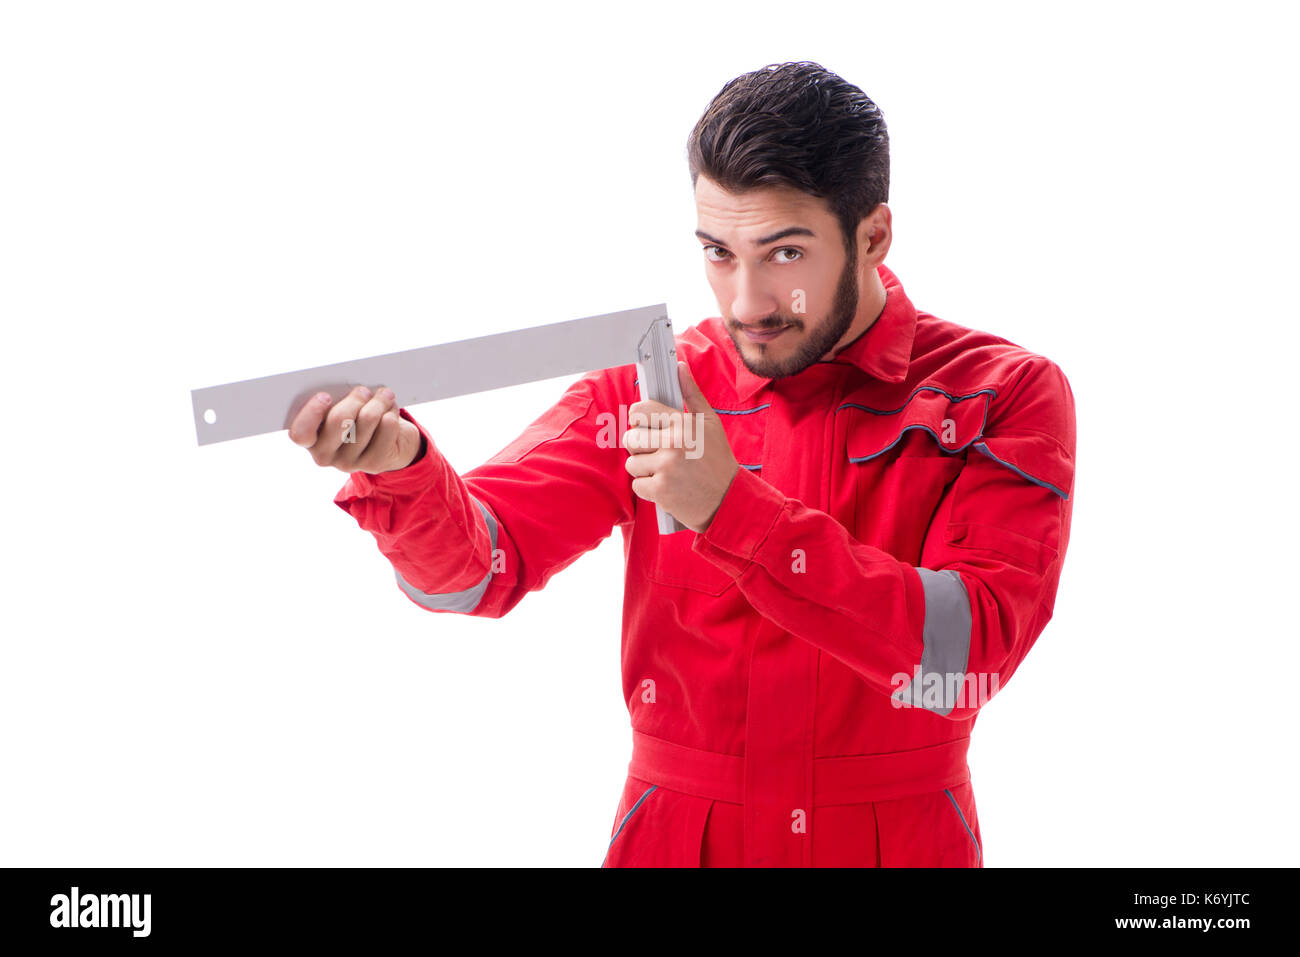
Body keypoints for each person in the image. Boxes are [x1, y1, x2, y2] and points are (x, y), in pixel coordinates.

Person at [288, 60, 1076, 867]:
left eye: (785, 252)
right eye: (719, 252)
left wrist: (732, 510)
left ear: (872, 235)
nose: (745, 302)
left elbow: (966, 659)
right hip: (677, 841)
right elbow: (480, 569)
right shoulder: (652, 390)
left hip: (897, 843)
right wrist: (404, 469)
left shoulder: (1002, 393)